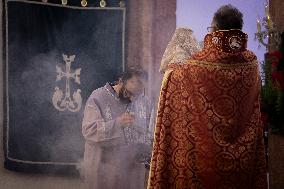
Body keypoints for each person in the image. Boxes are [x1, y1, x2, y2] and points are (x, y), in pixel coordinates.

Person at [148, 4, 267, 189]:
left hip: (204, 162)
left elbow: (173, 77)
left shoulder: (194, 67)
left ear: (215, 29)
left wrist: (175, 57)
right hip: (243, 163)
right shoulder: (252, 64)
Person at [82, 67, 153, 189]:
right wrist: (118, 123)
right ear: (121, 81)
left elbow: (149, 132)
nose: (132, 99)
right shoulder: (98, 97)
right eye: (129, 94)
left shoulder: (143, 100)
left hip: (132, 171)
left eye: (137, 95)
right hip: (104, 168)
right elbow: (89, 131)